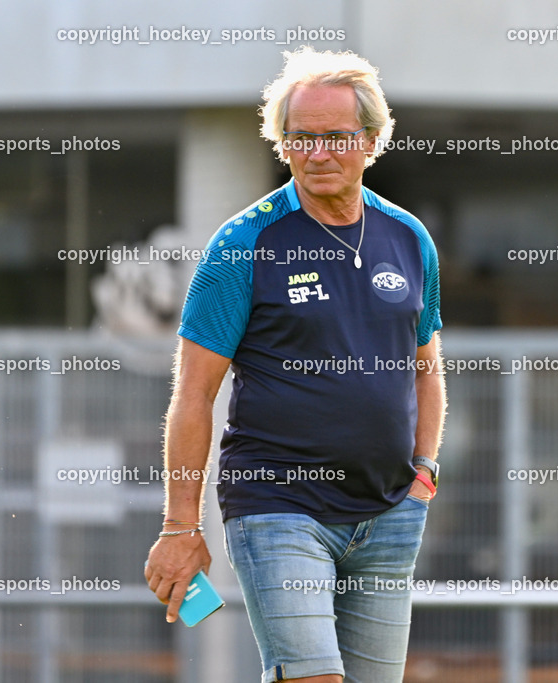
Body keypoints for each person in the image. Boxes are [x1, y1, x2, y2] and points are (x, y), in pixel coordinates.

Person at [144, 46, 445, 683]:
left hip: (390, 513)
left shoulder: (410, 238)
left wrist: (422, 475)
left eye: (335, 136)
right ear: (281, 143)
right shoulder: (242, 244)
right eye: (299, 137)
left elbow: (427, 369)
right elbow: (193, 395)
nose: (317, 153)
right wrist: (179, 525)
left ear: (371, 139)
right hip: (279, 505)